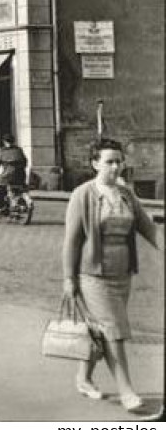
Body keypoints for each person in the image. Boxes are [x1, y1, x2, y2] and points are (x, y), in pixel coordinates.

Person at [63, 137, 160, 411]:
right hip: (92, 275)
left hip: (122, 275)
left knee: (100, 329)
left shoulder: (126, 194)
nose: (115, 167)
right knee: (114, 331)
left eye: (119, 161)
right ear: (95, 164)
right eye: (109, 162)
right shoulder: (83, 195)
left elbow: (148, 228)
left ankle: (83, 378)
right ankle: (127, 390)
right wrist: (68, 278)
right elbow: (71, 241)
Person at [0, 134, 27, 209]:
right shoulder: (19, 150)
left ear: (4, 142)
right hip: (21, 175)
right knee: (18, 188)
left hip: (8, 175)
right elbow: (25, 161)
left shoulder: (2, 151)